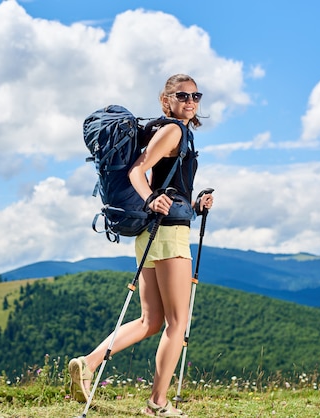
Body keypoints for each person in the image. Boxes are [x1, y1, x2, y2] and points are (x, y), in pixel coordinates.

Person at [69, 74, 214, 417]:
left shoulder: (162, 129)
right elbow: (139, 171)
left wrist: (194, 206)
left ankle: (86, 365)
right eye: (183, 95)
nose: (191, 101)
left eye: (196, 95)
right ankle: (158, 404)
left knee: (150, 320)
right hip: (168, 234)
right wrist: (152, 199)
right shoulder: (174, 130)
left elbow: (169, 185)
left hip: (152, 232)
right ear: (167, 99)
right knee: (177, 323)